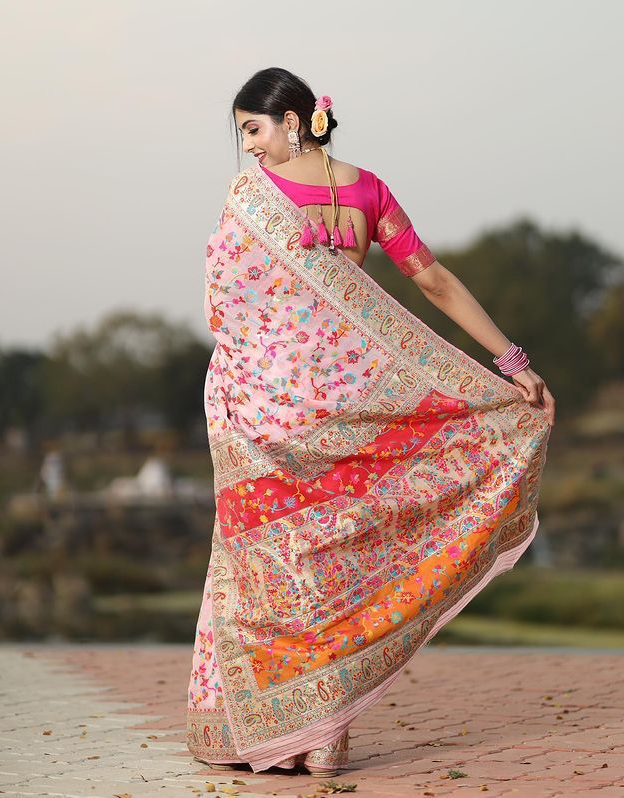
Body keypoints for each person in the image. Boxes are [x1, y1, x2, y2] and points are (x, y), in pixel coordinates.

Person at [185, 67, 555, 779]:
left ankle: (286, 732)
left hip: (268, 413)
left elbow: (224, 306)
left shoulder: (250, 200)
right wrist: (510, 360)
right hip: (354, 413)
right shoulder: (367, 191)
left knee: (276, 564)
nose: (249, 148)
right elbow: (433, 280)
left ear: (293, 121)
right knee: (337, 564)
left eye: (253, 130)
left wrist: (251, 372)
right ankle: (325, 740)